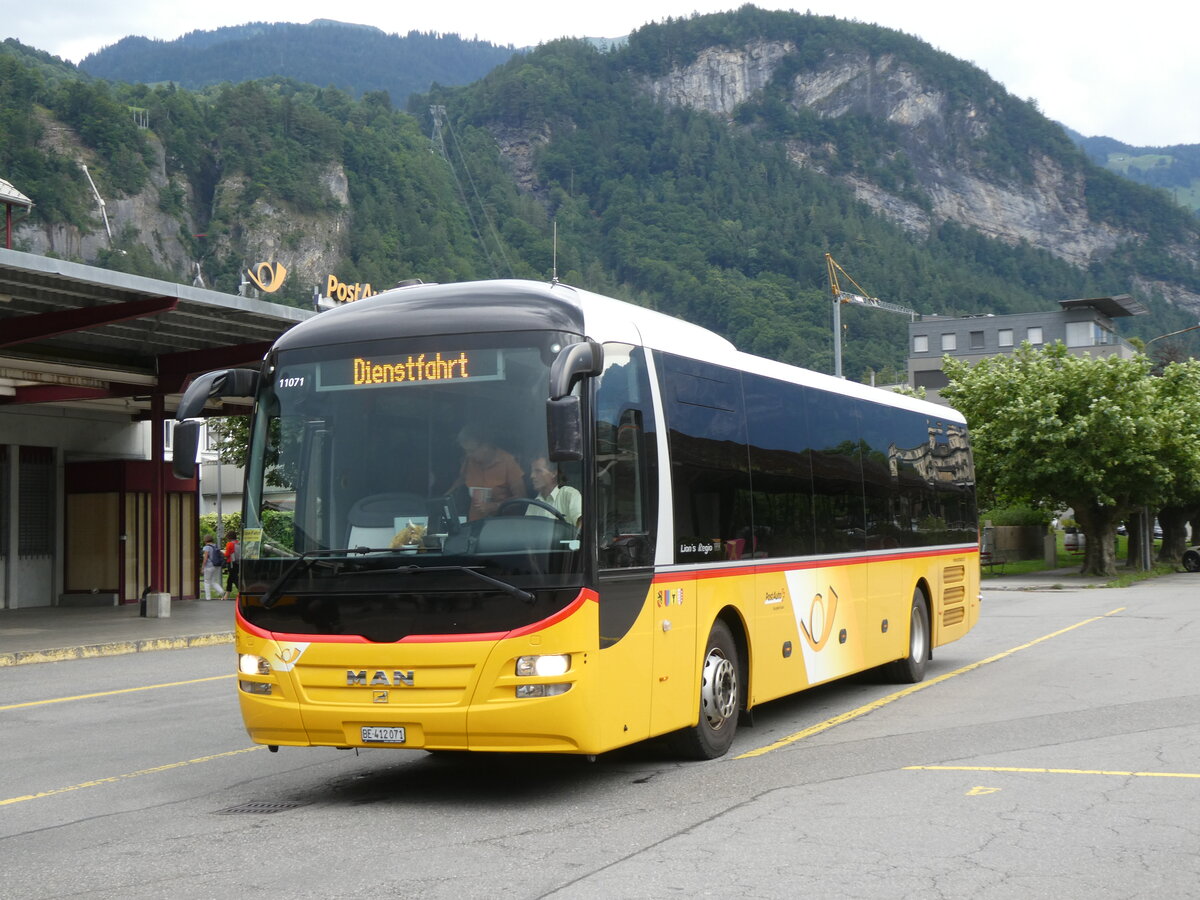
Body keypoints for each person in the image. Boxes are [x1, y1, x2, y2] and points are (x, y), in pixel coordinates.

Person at [447, 424, 525, 520]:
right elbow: (462, 479)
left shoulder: (508, 463)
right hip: (474, 525)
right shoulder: (469, 462)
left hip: (502, 525)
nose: (468, 455)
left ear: (486, 446)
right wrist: (447, 497)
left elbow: (521, 498)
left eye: (471, 451)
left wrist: (496, 506)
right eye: (466, 451)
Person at [527, 457, 582, 527]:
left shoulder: (569, 495)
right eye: (532, 472)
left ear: (553, 473)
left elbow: (581, 526)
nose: (532, 476)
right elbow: (527, 532)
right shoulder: (534, 505)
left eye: (538, 471)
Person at [200, 534, 223, 600]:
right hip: (216, 566)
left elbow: (205, 558)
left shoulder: (206, 547)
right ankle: (221, 592)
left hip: (209, 566)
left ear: (205, 540)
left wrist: (202, 567)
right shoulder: (215, 546)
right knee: (213, 581)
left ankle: (208, 598)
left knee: (206, 581)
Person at [221, 529, 239, 600]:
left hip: (231, 563)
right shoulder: (239, 543)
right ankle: (226, 596)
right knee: (231, 579)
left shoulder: (230, 544)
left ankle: (241, 591)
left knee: (234, 578)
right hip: (238, 563)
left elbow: (227, 554)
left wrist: (221, 552)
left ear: (229, 537)